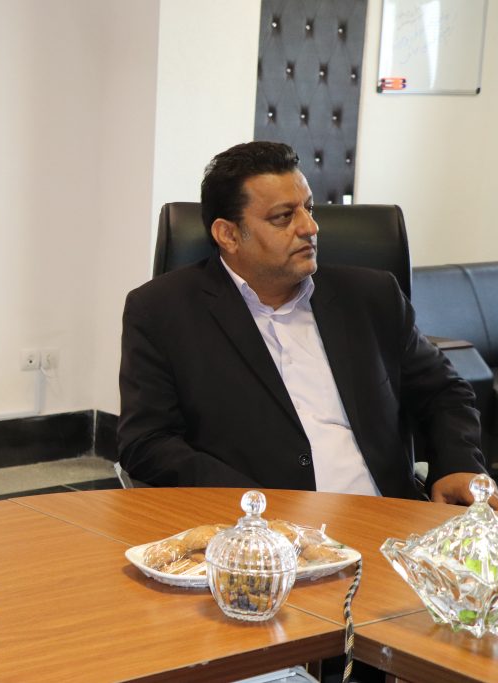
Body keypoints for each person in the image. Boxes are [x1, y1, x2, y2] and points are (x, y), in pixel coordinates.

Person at [118, 141, 487, 504]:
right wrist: (253, 502)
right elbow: (147, 442)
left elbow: (443, 391)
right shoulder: (162, 311)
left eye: (308, 209)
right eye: (283, 217)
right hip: (258, 530)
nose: (310, 227)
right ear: (227, 235)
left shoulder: (371, 297)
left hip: (386, 520)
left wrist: (457, 465)